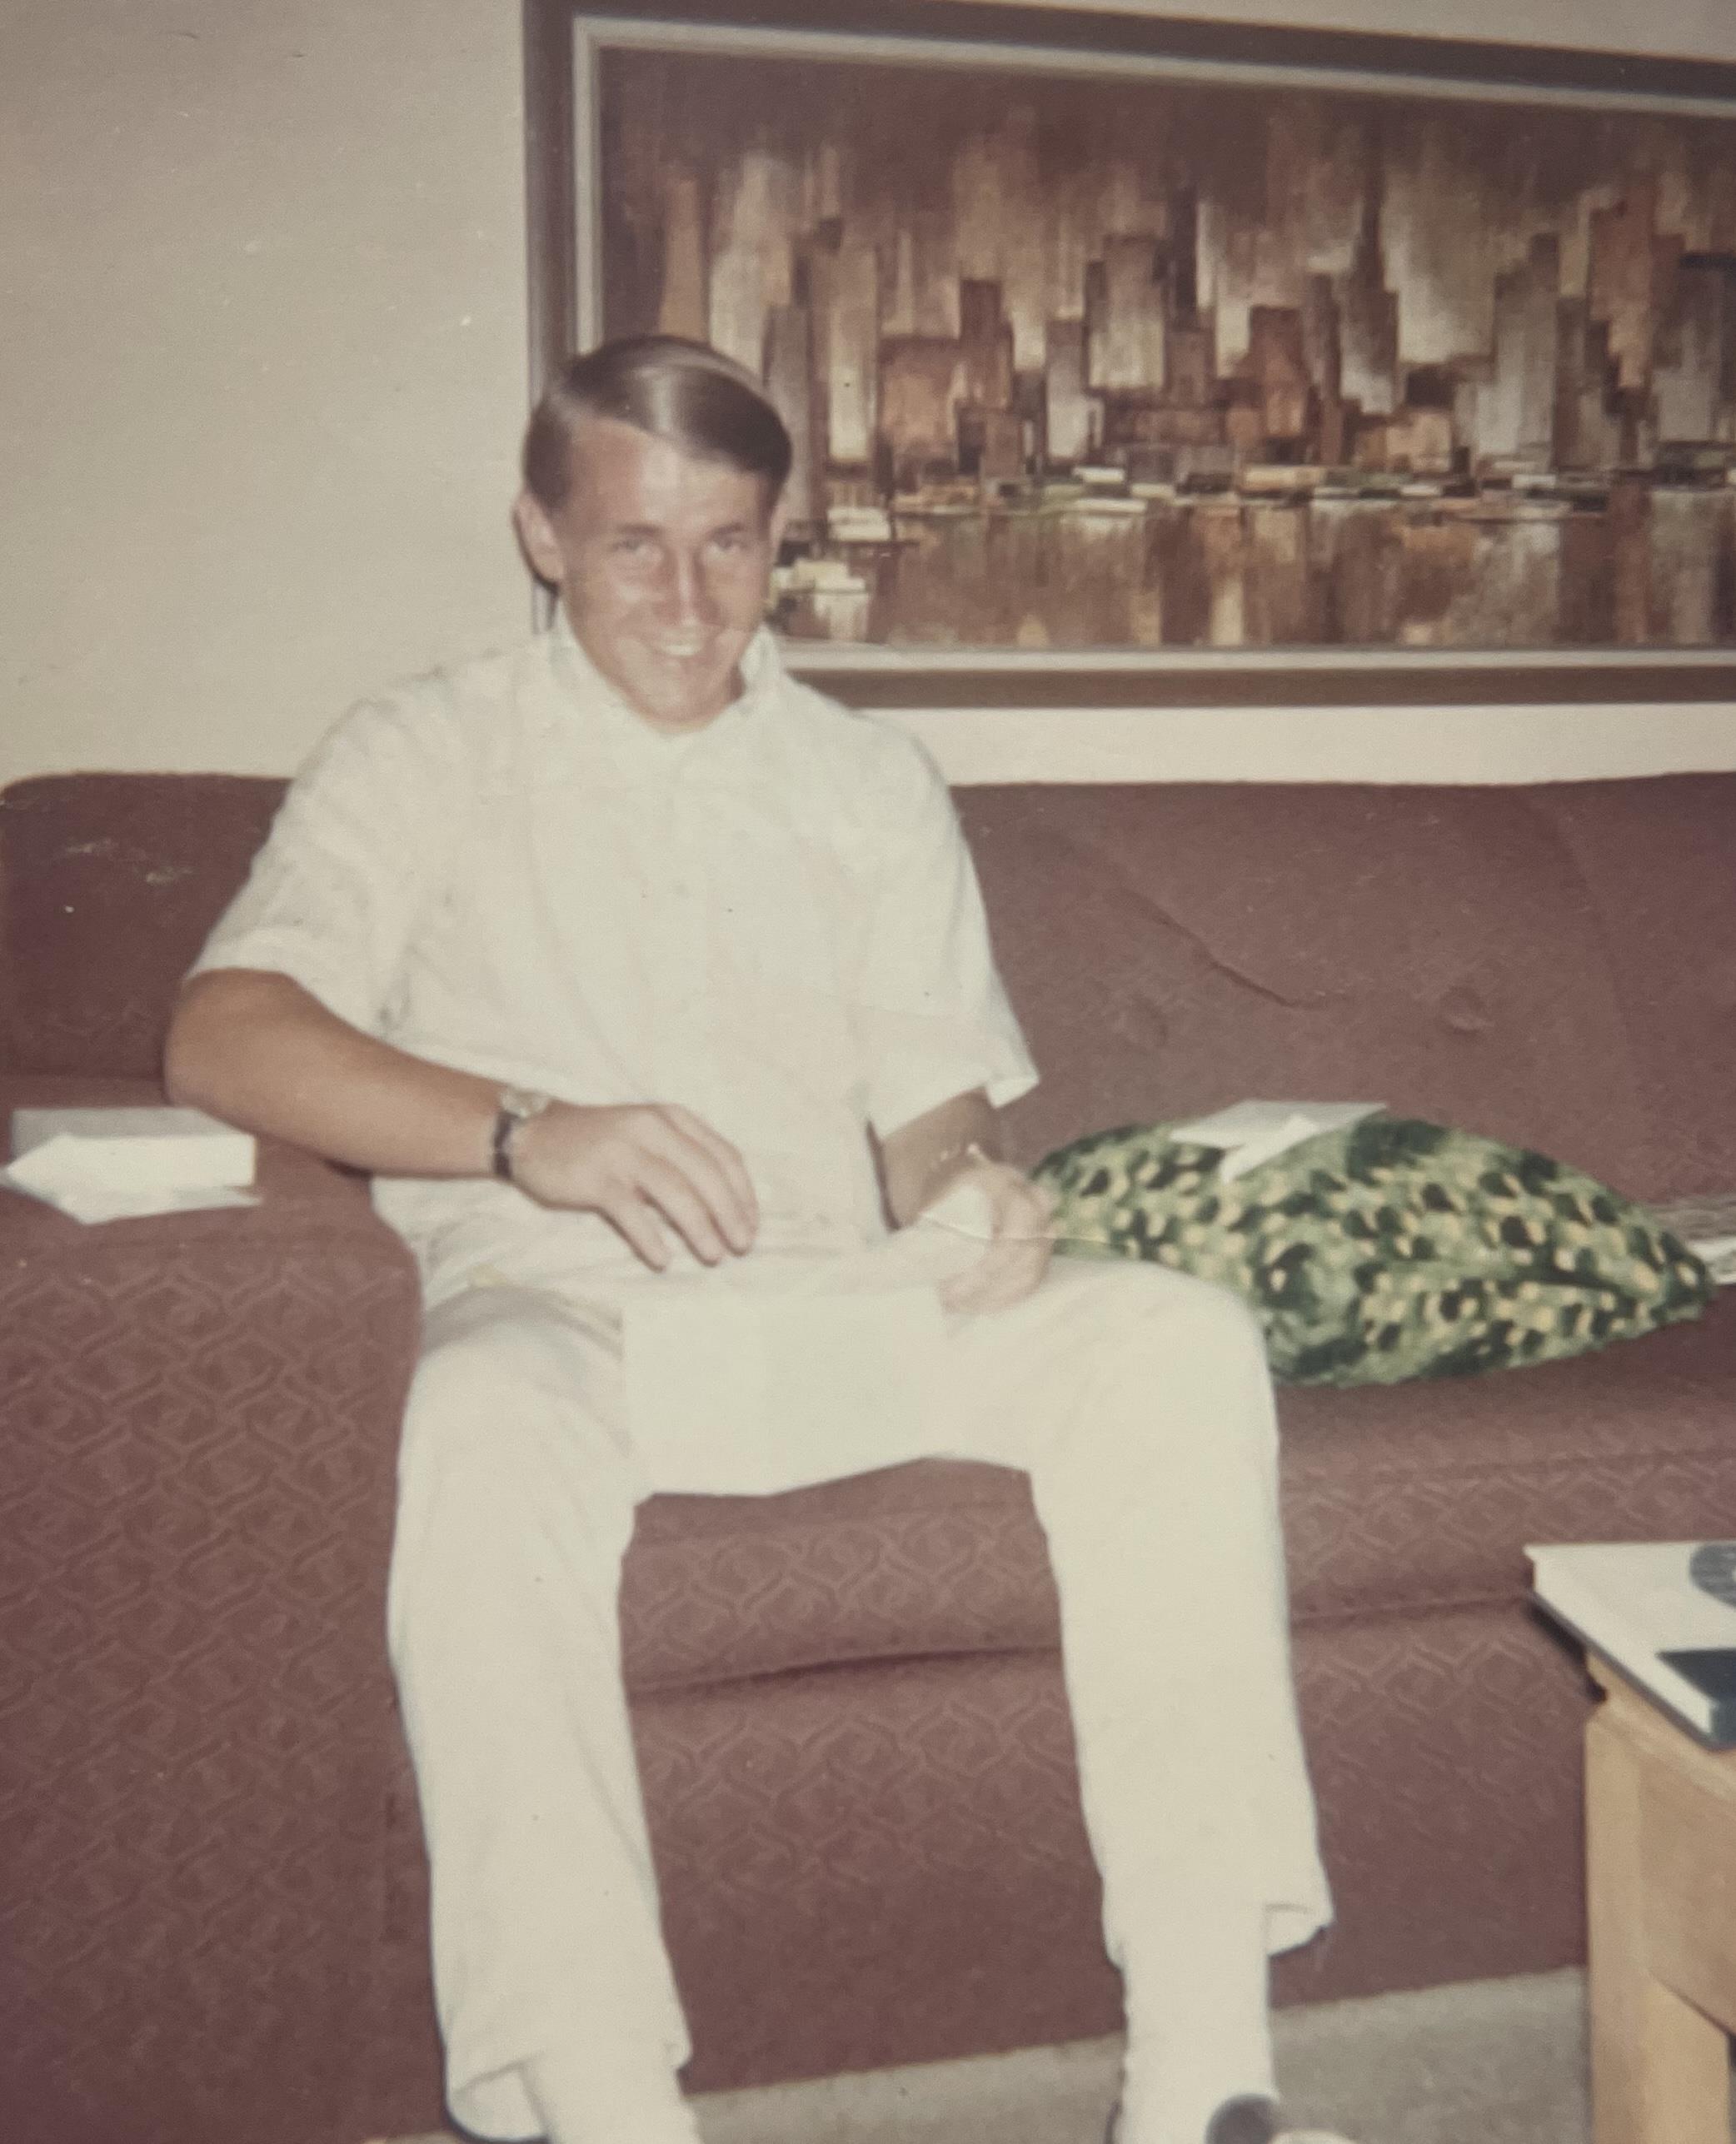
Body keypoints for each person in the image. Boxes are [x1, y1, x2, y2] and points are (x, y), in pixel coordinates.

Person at [164, 335, 1351, 2144]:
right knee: (469, 1433)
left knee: (1169, 1339)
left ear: (779, 535)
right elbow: (223, 1032)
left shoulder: (867, 782)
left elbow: (931, 1121)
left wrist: (975, 1187)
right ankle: (605, 2101)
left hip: (848, 1307)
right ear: (540, 536)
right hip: (569, 1325)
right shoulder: (423, 749)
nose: (687, 597)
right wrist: (522, 1132)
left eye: (729, 543)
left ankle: (1204, 2081)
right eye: (636, 543)